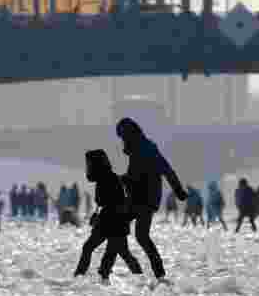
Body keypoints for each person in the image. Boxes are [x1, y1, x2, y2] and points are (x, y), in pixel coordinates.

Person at [116, 117, 187, 283]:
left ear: (128, 134)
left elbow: (165, 169)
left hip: (145, 199)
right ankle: (143, 270)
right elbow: (135, 176)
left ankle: (156, 273)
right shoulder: (137, 148)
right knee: (122, 229)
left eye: (122, 137)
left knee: (139, 235)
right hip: (140, 198)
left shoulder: (146, 148)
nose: (122, 141)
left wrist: (178, 191)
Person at [73, 149, 143, 284]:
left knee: (101, 249)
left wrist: (100, 213)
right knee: (121, 251)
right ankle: (137, 275)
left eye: (89, 164)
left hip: (113, 221)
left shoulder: (108, 179)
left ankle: (88, 275)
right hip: (112, 220)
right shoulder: (107, 178)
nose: (87, 167)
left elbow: (107, 201)